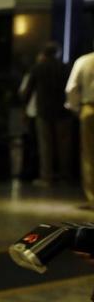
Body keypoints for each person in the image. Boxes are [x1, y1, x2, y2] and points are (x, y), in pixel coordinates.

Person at [22, 43, 74, 186]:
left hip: (43, 111)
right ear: (57, 53)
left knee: (45, 146)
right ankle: (65, 175)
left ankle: (46, 176)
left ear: (44, 54)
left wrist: (24, 108)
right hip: (63, 112)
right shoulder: (66, 68)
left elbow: (28, 91)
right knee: (64, 146)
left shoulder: (37, 68)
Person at [66, 49, 94, 209]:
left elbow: (72, 88)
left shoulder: (83, 61)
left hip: (89, 108)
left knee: (89, 155)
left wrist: (76, 108)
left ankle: (93, 198)